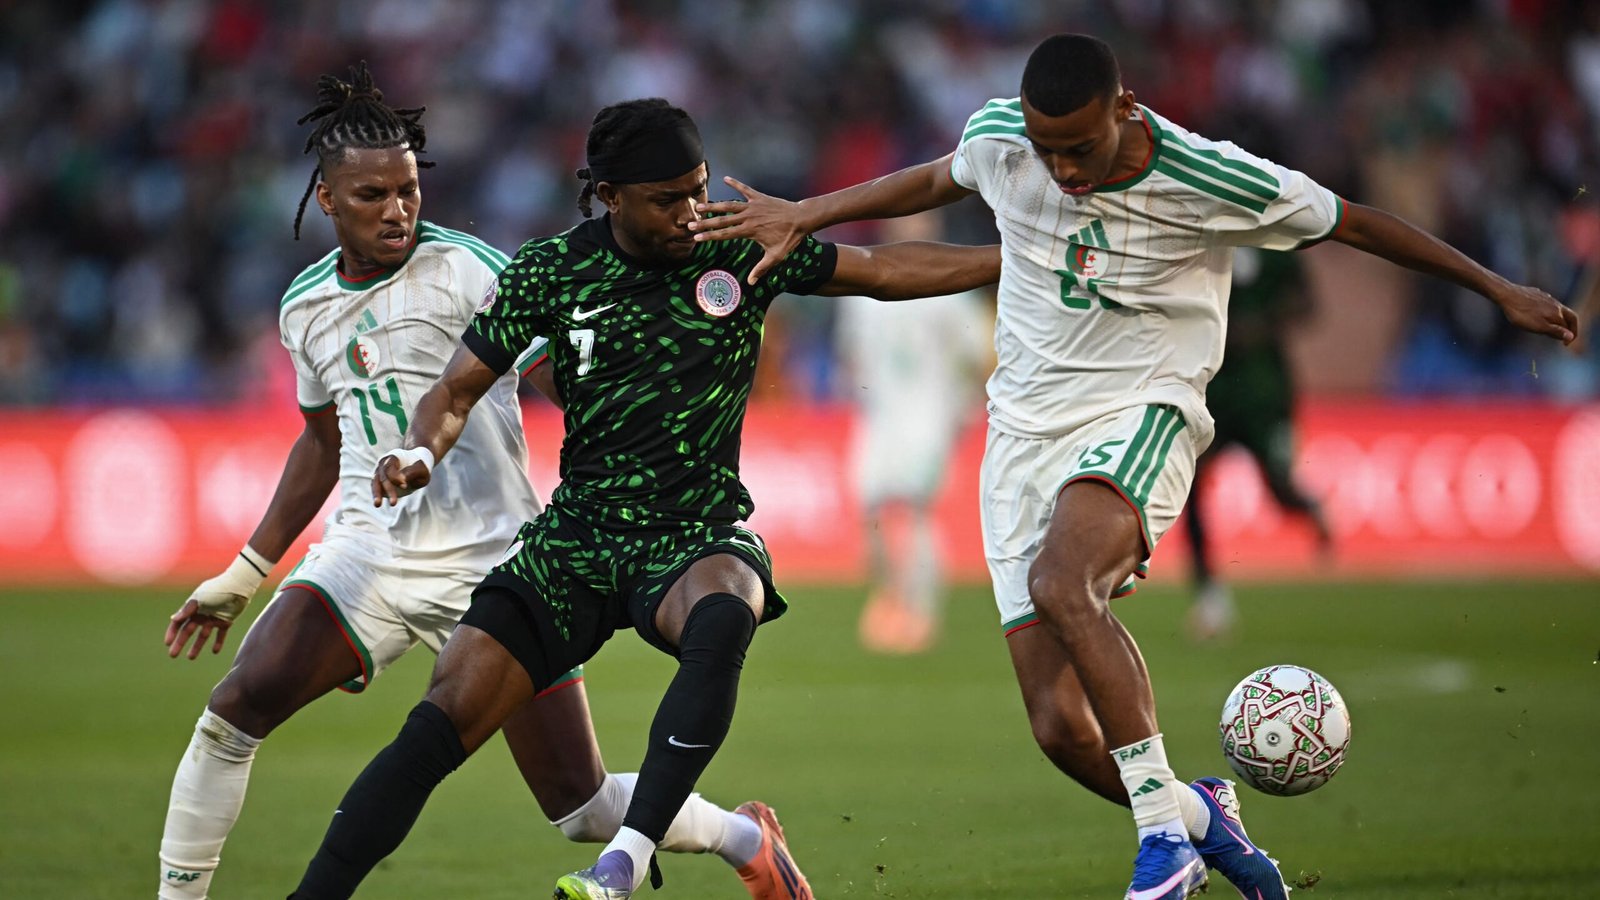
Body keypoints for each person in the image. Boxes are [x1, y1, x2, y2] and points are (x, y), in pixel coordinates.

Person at [687, 33, 1579, 900]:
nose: (1062, 171)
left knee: (1064, 582)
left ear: (1124, 108)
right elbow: (941, 173)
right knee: (1058, 730)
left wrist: (1497, 288)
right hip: (1021, 439)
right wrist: (808, 210)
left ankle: (1162, 843)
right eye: (1047, 150)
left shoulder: (1210, 175)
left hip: (1142, 408)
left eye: (1078, 148)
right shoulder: (1008, 139)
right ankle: (1198, 815)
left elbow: (1356, 221)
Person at [285, 97, 1000, 900]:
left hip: (693, 531)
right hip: (578, 537)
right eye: (668, 198)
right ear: (610, 195)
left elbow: (881, 272)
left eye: (697, 188)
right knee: (442, 715)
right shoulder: (552, 271)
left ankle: (621, 863)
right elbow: (456, 389)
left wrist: (1015, 262)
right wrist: (418, 451)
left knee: (727, 606)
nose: (691, 212)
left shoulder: (734, 247)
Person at [158, 66, 794, 900]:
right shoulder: (303, 306)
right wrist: (245, 574)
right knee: (235, 707)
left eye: (409, 190)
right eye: (373, 195)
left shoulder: (474, 272)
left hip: (496, 563)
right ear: (326, 201)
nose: (397, 210)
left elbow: (582, 377)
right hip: (369, 555)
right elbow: (319, 444)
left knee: (582, 807)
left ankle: (746, 837)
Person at [835, 211, 992, 653]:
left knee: (918, 509)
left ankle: (921, 612)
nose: (910, 227)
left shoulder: (951, 291)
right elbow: (852, 353)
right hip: (878, 416)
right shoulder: (862, 290)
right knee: (869, 508)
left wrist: (963, 408)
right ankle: (891, 595)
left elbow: (977, 355)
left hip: (930, 416)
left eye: (920, 220)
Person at [1184, 246, 1332, 642]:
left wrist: (1261, 322)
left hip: (1265, 394)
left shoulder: (1277, 245)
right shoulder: (1204, 238)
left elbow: (1307, 303)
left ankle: (1308, 506)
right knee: (1191, 488)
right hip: (1212, 392)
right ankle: (1209, 595)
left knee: (1279, 489)